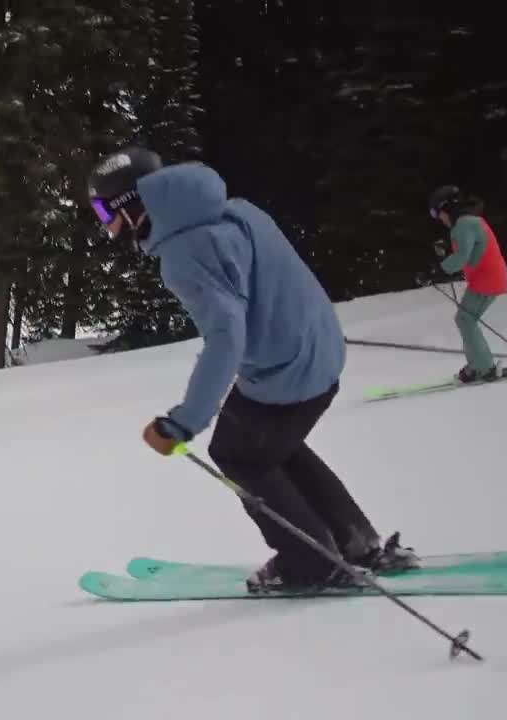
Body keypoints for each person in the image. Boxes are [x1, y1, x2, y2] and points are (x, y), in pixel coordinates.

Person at [85, 146, 418, 593]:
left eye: (104, 209)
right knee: (271, 446)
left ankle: (311, 563)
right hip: (318, 353)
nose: (105, 223)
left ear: (133, 203)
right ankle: (355, 543)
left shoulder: (185, 252)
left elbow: (226, 339)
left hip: (285, 371)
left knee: (237, 453)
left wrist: (182, 423)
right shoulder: (235, 211)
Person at [428, 185, 507, 383]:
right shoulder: (468, 221)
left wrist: (437, 270)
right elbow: (470, 249)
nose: (439, 218)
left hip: (487, 279)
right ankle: (477, 365)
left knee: (465, 319)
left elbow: (463, 256)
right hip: (487, 277)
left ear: (447, 208)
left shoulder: (465, 223)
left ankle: (485, 368)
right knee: (465, 319)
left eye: (438, 213)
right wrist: (447, 251)